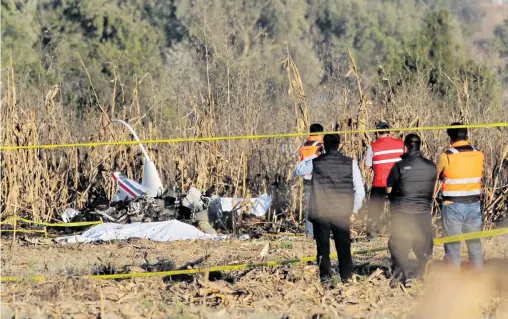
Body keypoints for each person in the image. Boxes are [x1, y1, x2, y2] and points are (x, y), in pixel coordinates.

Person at [295, 134, 365, 286]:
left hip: (321, 212)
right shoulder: (350, 163)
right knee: (344, 247)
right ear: (339, 145)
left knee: (323, 248)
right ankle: (346, 278)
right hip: (342, 212)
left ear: (323, 146)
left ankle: (325, 279)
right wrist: (353, 210)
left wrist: (315, 154)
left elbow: (298, 170)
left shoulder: (316, 162)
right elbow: (359, 190)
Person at [386, 133, 437, 287]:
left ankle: (399, 279)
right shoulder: (431, 166)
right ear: (420, 145)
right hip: (423, 213)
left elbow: (388, 190)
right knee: (424, 247)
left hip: (402, 213)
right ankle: (426, 277)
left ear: (406, 146)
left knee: (400, 247)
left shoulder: (399, 166)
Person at [437, 122, 484, 269]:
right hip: (474, 205)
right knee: (475, 245)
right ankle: (480, 279)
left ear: (450, 137)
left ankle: (454, 283)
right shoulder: (479, 154)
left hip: (452, 206)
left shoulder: (447, 156)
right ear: (466, 134)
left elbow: (438, 174)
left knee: (452, 247)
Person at [364, 121, 404, 238]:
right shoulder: (401, 144)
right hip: (397, 184)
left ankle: (373, 235)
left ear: (377, 132)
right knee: (398, 210)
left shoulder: (373, 146)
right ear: (389, 132)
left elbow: (366, 166)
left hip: (380, 183)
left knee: (375, 210)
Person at [298, 123, 325, 238]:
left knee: (309, 207)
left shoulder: (303, 146)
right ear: (319, 133)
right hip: (318, 179)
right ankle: (320, 232)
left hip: (307, 178)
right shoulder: (319, 146)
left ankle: (309, 233)